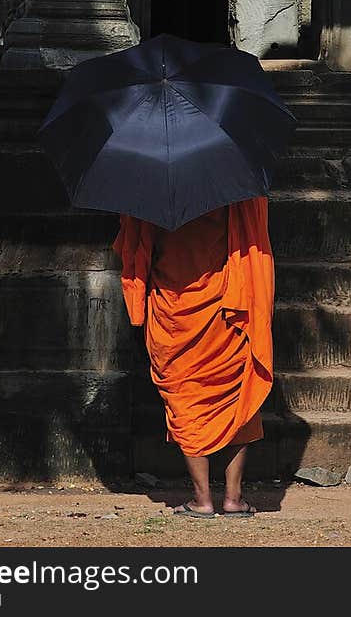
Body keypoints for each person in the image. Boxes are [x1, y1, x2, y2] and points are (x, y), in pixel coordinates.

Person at [113, 195, 274, 518]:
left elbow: (137, 245)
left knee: (185, 395)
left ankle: (202, 499)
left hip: (175, 306)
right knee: (236, 394)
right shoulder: (237, 187)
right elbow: (253, 240)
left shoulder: (152, 186)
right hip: (228, 302)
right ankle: (233, 498)